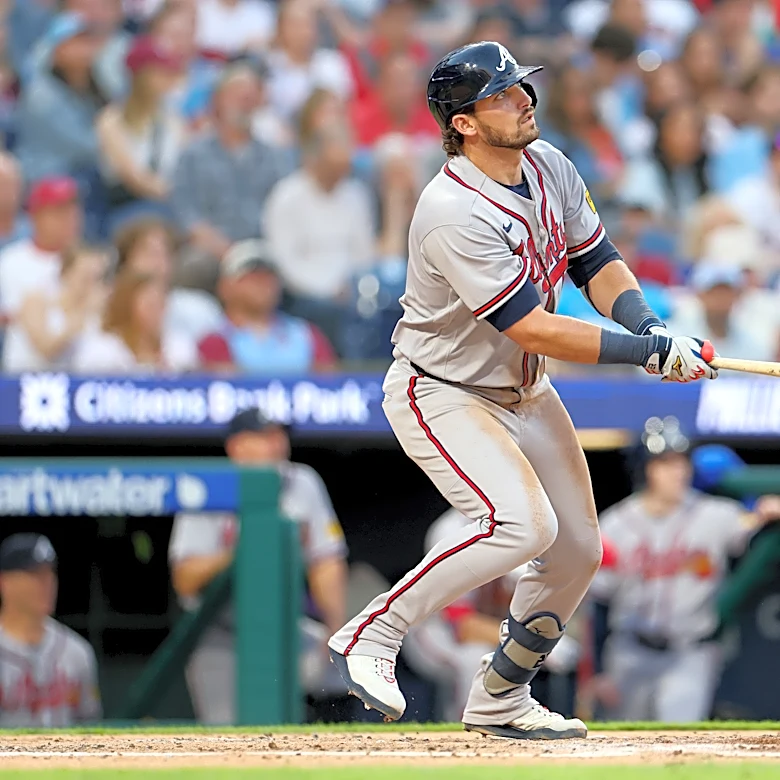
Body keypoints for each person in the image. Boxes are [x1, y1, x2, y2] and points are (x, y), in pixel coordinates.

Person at [326, 40, 717, 741]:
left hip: (526, 391)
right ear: (465, 123)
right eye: (502, 95)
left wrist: (652, 327)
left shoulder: (551, 166)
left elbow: (598, 263)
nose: (523, 101)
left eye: (522, 89)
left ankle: (501, 696)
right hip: (444, 389)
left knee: (576, 552)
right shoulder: (450, 208)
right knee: (523, 526)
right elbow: (531, 326)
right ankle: (372, 634)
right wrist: (645, 354)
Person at [588, 417, 780, 722]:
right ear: (646, 469)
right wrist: (597, 671)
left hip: (689, 652)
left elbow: (754, 530)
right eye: (666, 463)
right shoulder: (615, 524)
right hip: (629, 652)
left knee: (680, 741)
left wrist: (766, 511)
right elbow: (598, 603)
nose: (678, 472)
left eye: (682, 462)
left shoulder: (716, 515)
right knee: (621, 750)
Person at [168, 407, 348, 724]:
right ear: (236, 447)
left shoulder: (301, 482)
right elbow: (185, 579)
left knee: (343, 681)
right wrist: (246, 549)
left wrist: (335, 630)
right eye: (265, 436)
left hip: (285, 628)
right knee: (227, 734)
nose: (277, 444)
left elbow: (326, 560)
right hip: (220, 634)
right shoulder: (209, 487)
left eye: (280, 436)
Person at [403, 507, 582, 722]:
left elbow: (523, 592)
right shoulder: (450, 531)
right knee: (475, 658)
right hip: (433, 630)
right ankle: (464, 731)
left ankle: (517, 720)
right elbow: (463, 626)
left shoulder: (521, 520)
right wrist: (530, 642)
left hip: (486, 626)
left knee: (542, 652)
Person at [170, 64, 285, 293]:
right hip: (213, 250)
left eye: (250, 96)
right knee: (192, 266)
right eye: (237, 95)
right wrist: (227, 251)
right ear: (218, 101)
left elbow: (284, 211)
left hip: (264, 249)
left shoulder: (274, 158)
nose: (244, 102)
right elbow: (187, 214)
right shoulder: (192, 155)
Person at [264, 124, 374, 346]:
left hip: (349, 289)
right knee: (331, 314)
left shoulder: (356, 195)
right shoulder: (286, 197)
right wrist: (329, 288)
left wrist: (350, 284)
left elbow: (364, 254)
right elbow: (284, 262)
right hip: (303, 294)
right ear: (315, 159)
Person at [0, 533, 101, 727]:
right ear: (4, 582)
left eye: (50, 573)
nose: (47, 583)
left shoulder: (77, 652)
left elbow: (91, 727)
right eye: (34, 574)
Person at [198, 239, 336, 374]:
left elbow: (331, 384)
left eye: (269, 277)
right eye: (251, 277)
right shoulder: (215, 341)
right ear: (225, 287)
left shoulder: (306, 335)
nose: (263, 284)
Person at [95, 35, 185, 232]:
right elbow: (133, 177)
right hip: (128, 205)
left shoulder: (173, 118)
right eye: (161, 72)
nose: (168, 78)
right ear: (142, 76)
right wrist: (176, 195)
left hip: (170, 204)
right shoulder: (111, 120)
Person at [14, 12, 109, 184]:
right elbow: (84, 144)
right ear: (56, 49)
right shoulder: (41, 95)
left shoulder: (92, 88)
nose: (85, 49)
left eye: (88, 41)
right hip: (43, 180)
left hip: (83, 177)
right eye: (76, 41)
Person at [114, 217, 223, 342]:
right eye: (148, 253)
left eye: (164, 253)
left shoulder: (201, 309)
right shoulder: (107, 311)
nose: (157, 263)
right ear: (126, 261)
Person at [3, 244, 109, 373]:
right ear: (65, 273)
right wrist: (82, 313)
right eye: (86, 277)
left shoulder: (98, 310)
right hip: (25, 381)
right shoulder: (37, 301)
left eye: (98, 278)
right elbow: (46, 350)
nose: (92, 285)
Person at [72, 270, 198, 374]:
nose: (157, 313)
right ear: (127, 306)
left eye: (161, 305)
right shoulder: (103, 348)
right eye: (150, 305)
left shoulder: (178, 346)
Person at [0, 177, 83, 325]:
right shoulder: (12, 260)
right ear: (36, 216)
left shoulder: (89, 259)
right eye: (59, 211)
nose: (69, 218)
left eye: (72, 210)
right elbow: (13, 316)